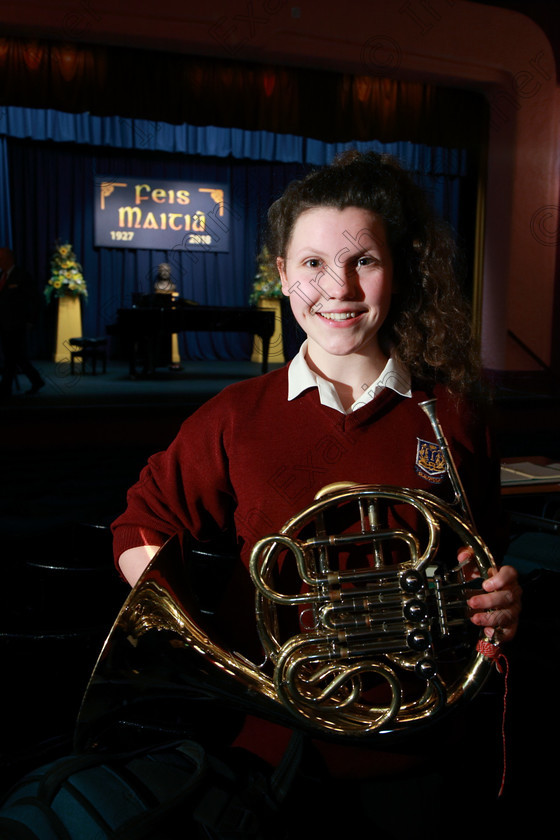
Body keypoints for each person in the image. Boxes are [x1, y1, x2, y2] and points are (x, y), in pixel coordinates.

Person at [0, 152, 521, 838]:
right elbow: (140, 522)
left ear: (397, 270)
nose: (337, 286)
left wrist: (499, 598)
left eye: (363, 260)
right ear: (281, 274)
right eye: (311, 264)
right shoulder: (234, 416)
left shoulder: (452, 415)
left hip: (426, 745)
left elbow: (484, 552)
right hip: (277, 750)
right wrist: (194, 642)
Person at [0, 248, 45, 399]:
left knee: (11, 358)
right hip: (4, 324)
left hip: (17, 324)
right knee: (17, 356)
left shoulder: (22, 276)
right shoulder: (2, 276)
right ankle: (37, 380)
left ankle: (5, 389)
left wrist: (32, 320)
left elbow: (35, 299)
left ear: (8, 259)